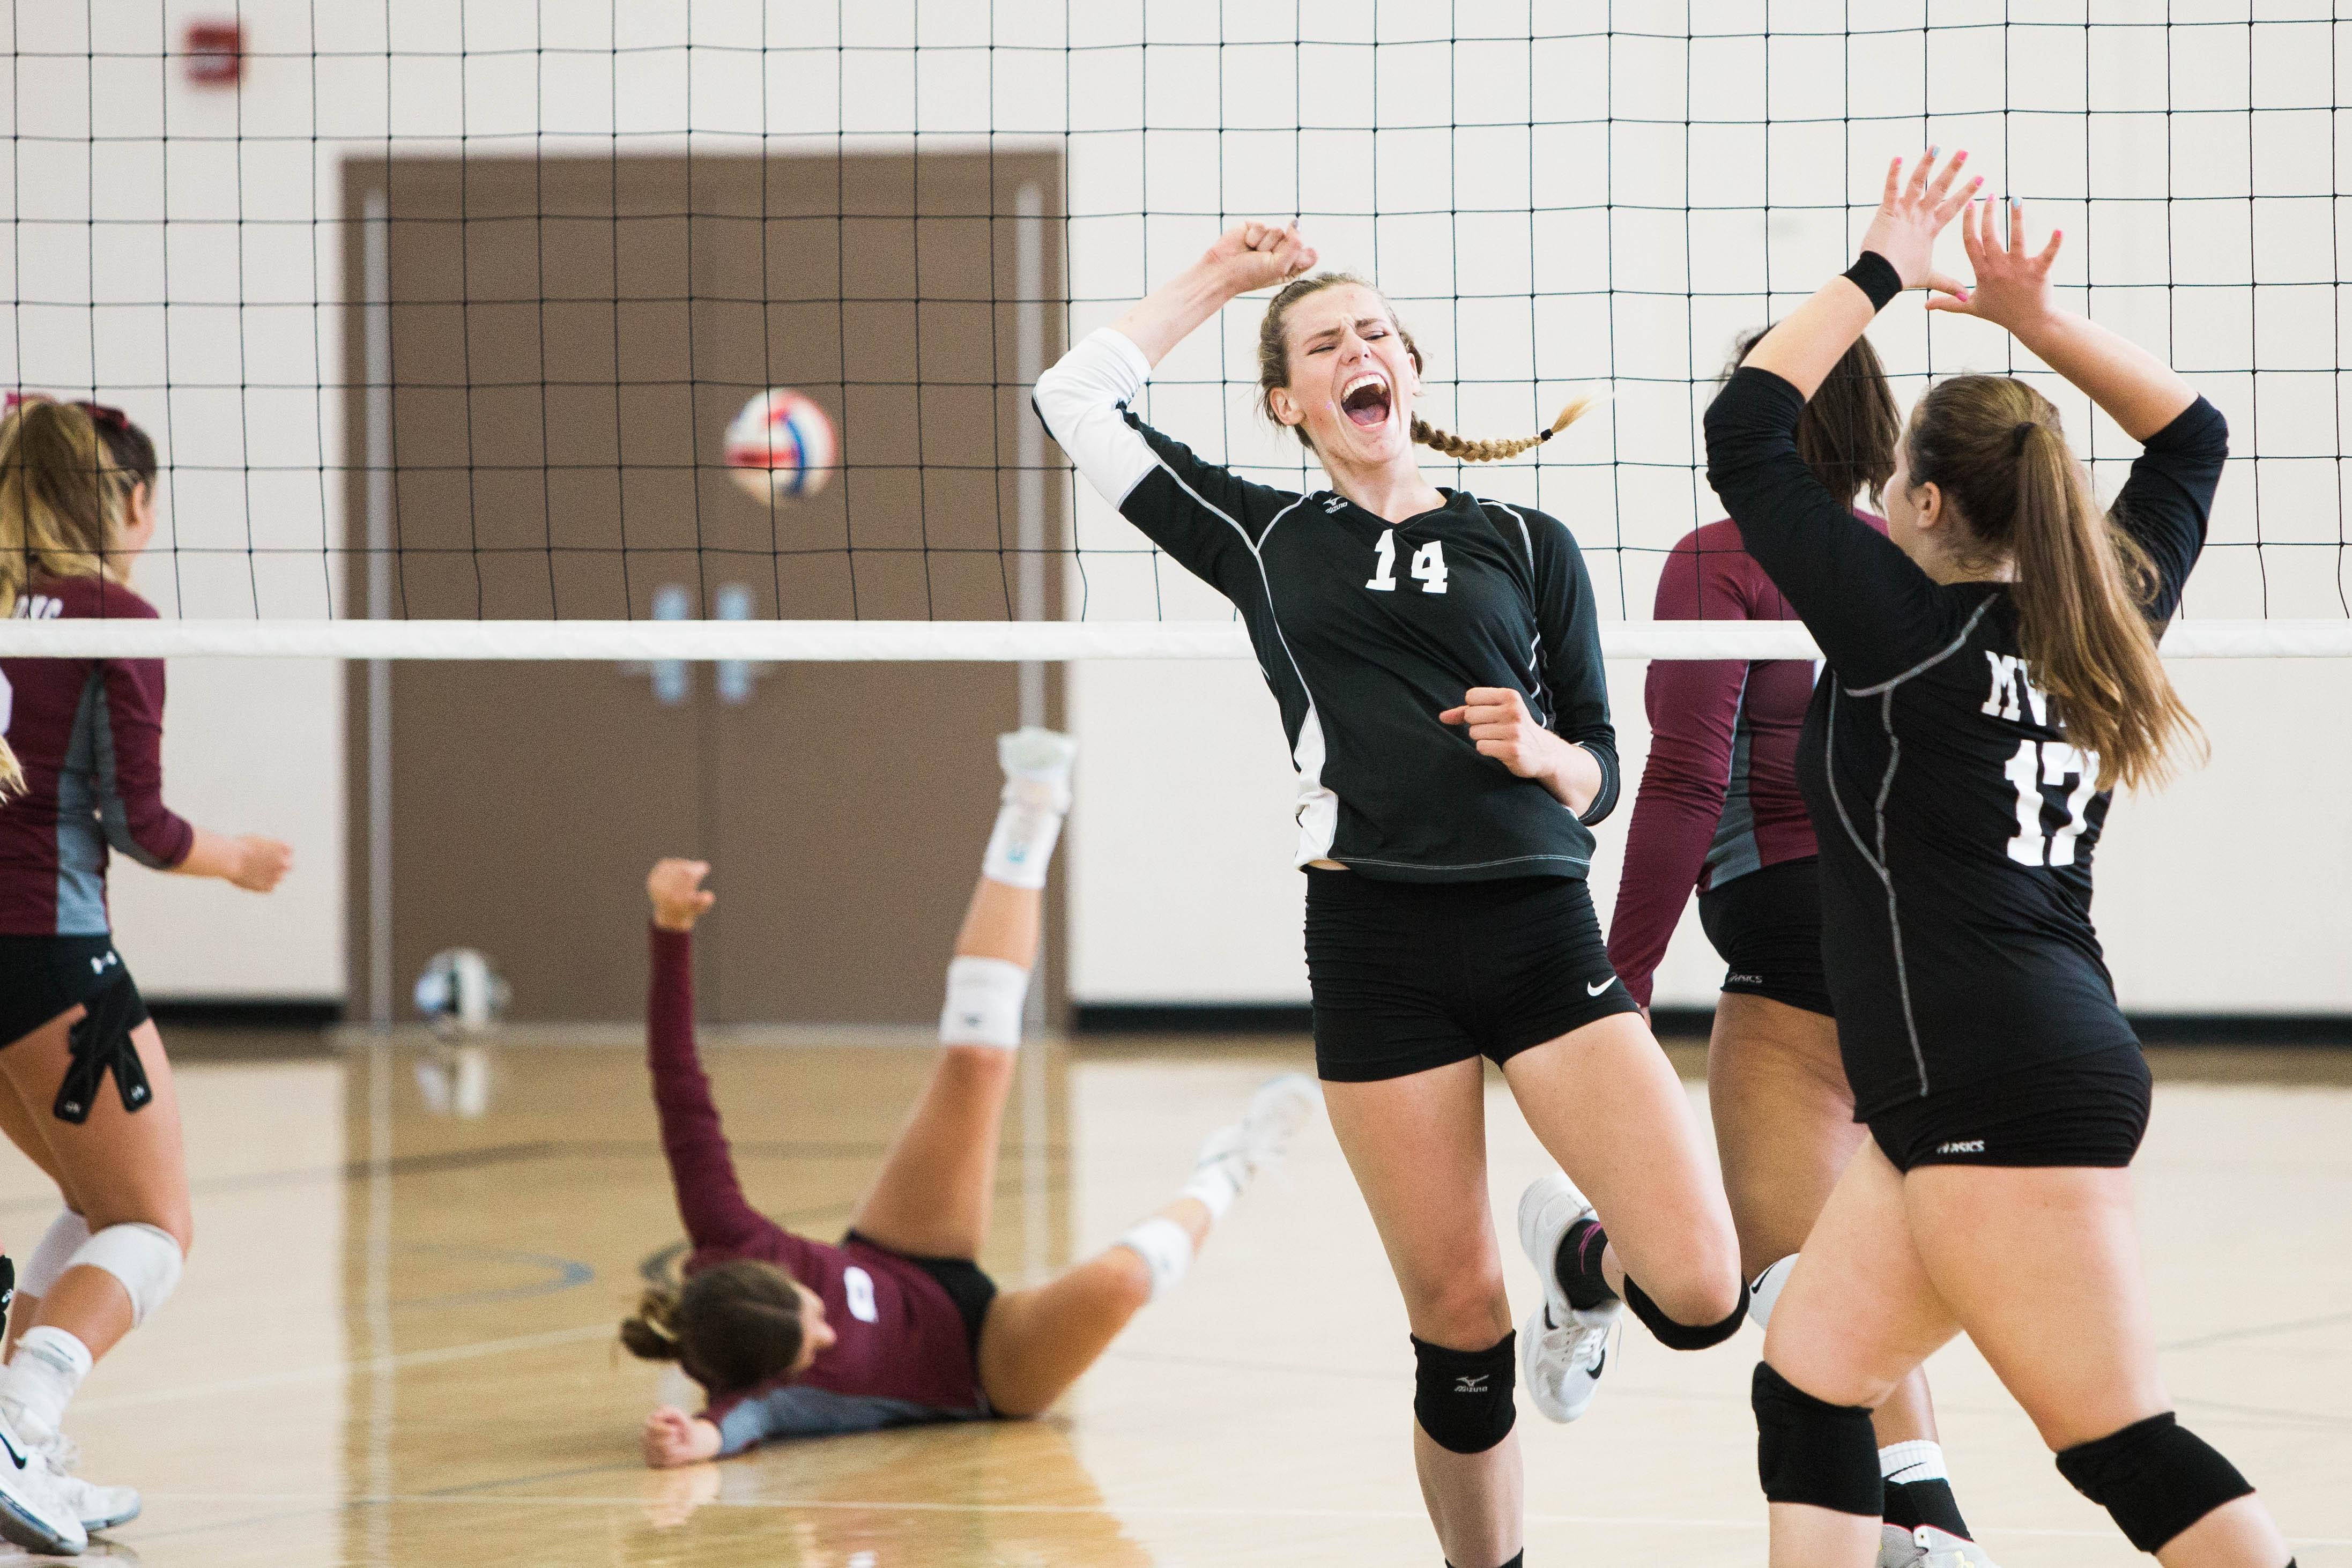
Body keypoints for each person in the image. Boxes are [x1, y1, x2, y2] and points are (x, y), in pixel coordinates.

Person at [1033, 224, 1744, 1568]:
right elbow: (1073, 397)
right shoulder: (1259, 534)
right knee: (1457, 1318)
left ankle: (1577, 1264)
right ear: (1287, 403)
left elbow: (1600, 772)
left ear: (1409, 370)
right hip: (1376, 941)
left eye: (1373, 333)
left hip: (1537, 926)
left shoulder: (1529, 541)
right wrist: (1224, 282)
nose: (1356, 351)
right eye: (1321, 344)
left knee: (1702, 1291)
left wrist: (1545, 754)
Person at [1704, 150, 2295, 1568]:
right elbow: (2192, 439)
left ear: (1913, 505)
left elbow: (1746, 428)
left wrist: (1879, 271)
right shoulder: (2104, 618)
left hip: (1994, 1079)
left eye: (1900, 475)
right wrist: (2032, 323)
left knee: (2116, 1443)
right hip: (1983, 1072)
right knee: (1808, 1384)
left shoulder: (1901, 633)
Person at [626, 729, 1317, 1464]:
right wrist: (692, 1439)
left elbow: (679, 1086)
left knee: (977, 1058)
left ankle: (1033, 805)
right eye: (813, 1347)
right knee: (1119, 1280)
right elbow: (731, 1426)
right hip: (985, 1366)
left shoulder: (726, 1230)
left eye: (813, 1314)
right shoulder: (767, 1395)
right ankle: (1231, 1167)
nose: (828, 1333)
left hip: (904, 1254)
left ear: (763, 1274)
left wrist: (670, 932)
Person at [1608, 336, 1997, 1568]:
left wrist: (1613, 988)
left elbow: (1681, 778)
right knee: (1848, 1256)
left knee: (1778, 1279)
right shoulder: (1922, 564)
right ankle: (1929, 1515)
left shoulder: (1724, 555)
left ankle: (1581, 1258)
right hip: (1931, 945)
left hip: (1790, 939)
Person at [0, 396, 293, 1552]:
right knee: (156, 1225)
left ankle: (20, 1437)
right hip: (52, 961)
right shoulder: (111, 613)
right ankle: (20, 1421)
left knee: (95, 1203)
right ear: (127, 501)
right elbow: (141, 821)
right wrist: (237, 860)